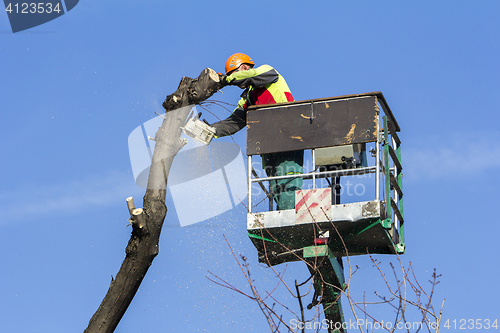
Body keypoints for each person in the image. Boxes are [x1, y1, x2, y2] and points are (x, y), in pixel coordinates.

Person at [210, 53, 303, 210]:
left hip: (288, 136)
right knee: (276, 188)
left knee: (288, 183)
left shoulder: (268, 73)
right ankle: (283, 221)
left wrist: (224, 80)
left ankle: (292, 218)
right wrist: (210, 130)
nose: (236, 81)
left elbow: (251, 76)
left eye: (234, 75)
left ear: (245, 67)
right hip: (268, 145)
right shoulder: (248, 98)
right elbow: (234, 122)